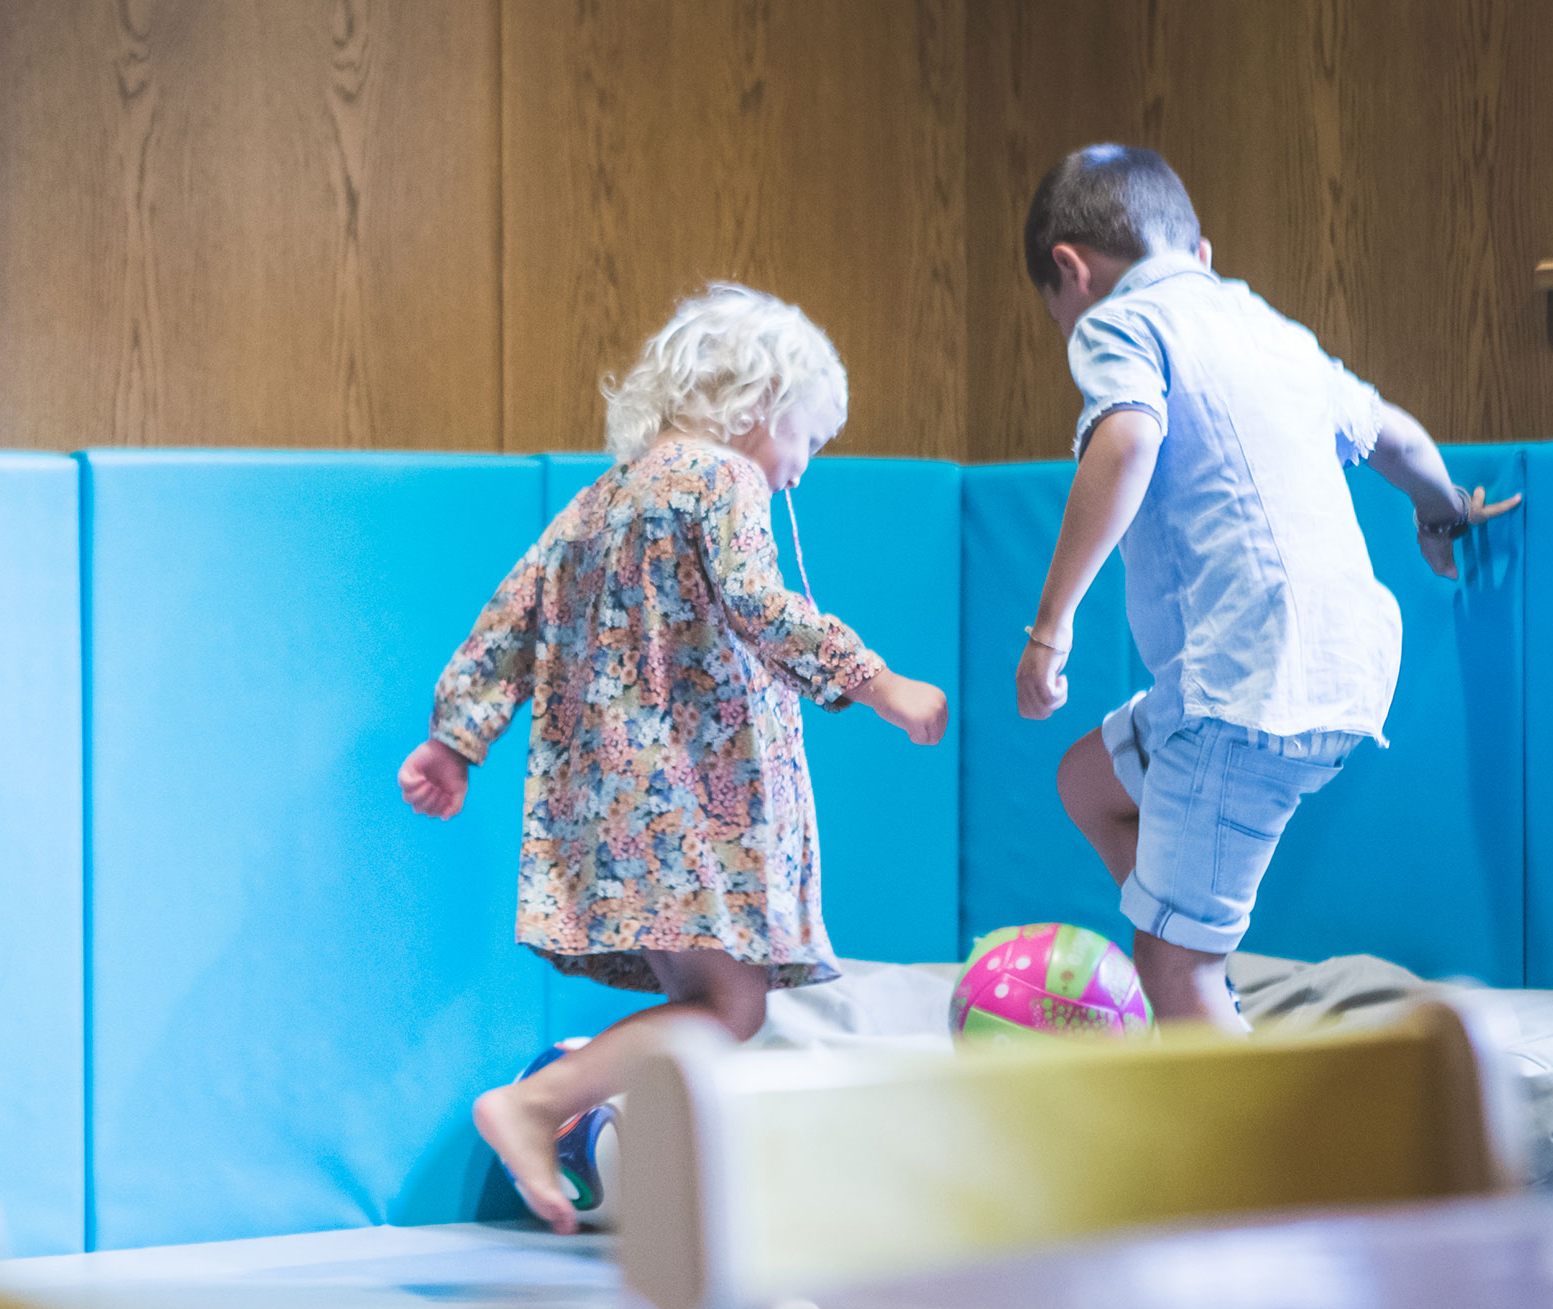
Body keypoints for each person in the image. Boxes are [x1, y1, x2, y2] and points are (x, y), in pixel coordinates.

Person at [397, 283, 949, 1231]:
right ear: (760, 402)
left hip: (613, 813)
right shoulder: (719, 478)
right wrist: (881, 684)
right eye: (806, 440)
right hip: (691, 806)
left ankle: (604, 1136)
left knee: (708, 1002)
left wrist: (458, 737)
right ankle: (536, 1106)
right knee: (728, 1008)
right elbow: (760, 604)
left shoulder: (599, 498)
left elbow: (510, 620)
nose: (800, 473)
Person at [1015, 145, 1520, 1029]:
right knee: (1087, 784)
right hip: (1325, 668)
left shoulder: (1117, 322)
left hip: (1246, 688)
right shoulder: (1270, 330)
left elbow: (1127, 440)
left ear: (1071, 270)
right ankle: (1197, 955)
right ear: (1200, 254)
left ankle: (1212, 1032)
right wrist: (1443, 514)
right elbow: (1394, 434)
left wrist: (1049, 627)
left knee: (1170, 963)